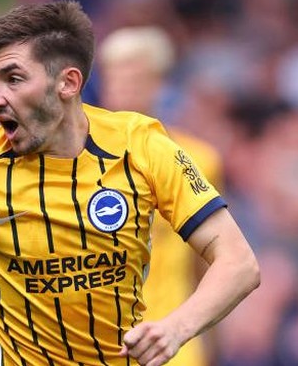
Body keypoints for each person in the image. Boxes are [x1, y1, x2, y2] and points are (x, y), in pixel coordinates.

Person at [0, 0, 260, 366]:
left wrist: (178, 327)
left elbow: (238, 262)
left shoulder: (145, 147)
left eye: (13, 79)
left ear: (68, 83)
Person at [98, 25, 224, 366]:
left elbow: (213, 259)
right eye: (114, 79)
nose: (121, 91)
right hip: (103, 344)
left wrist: (208, 337)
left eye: (134, 79)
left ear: (159, 83)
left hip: (175, 344)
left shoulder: (198, 159)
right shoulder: (81, 163)